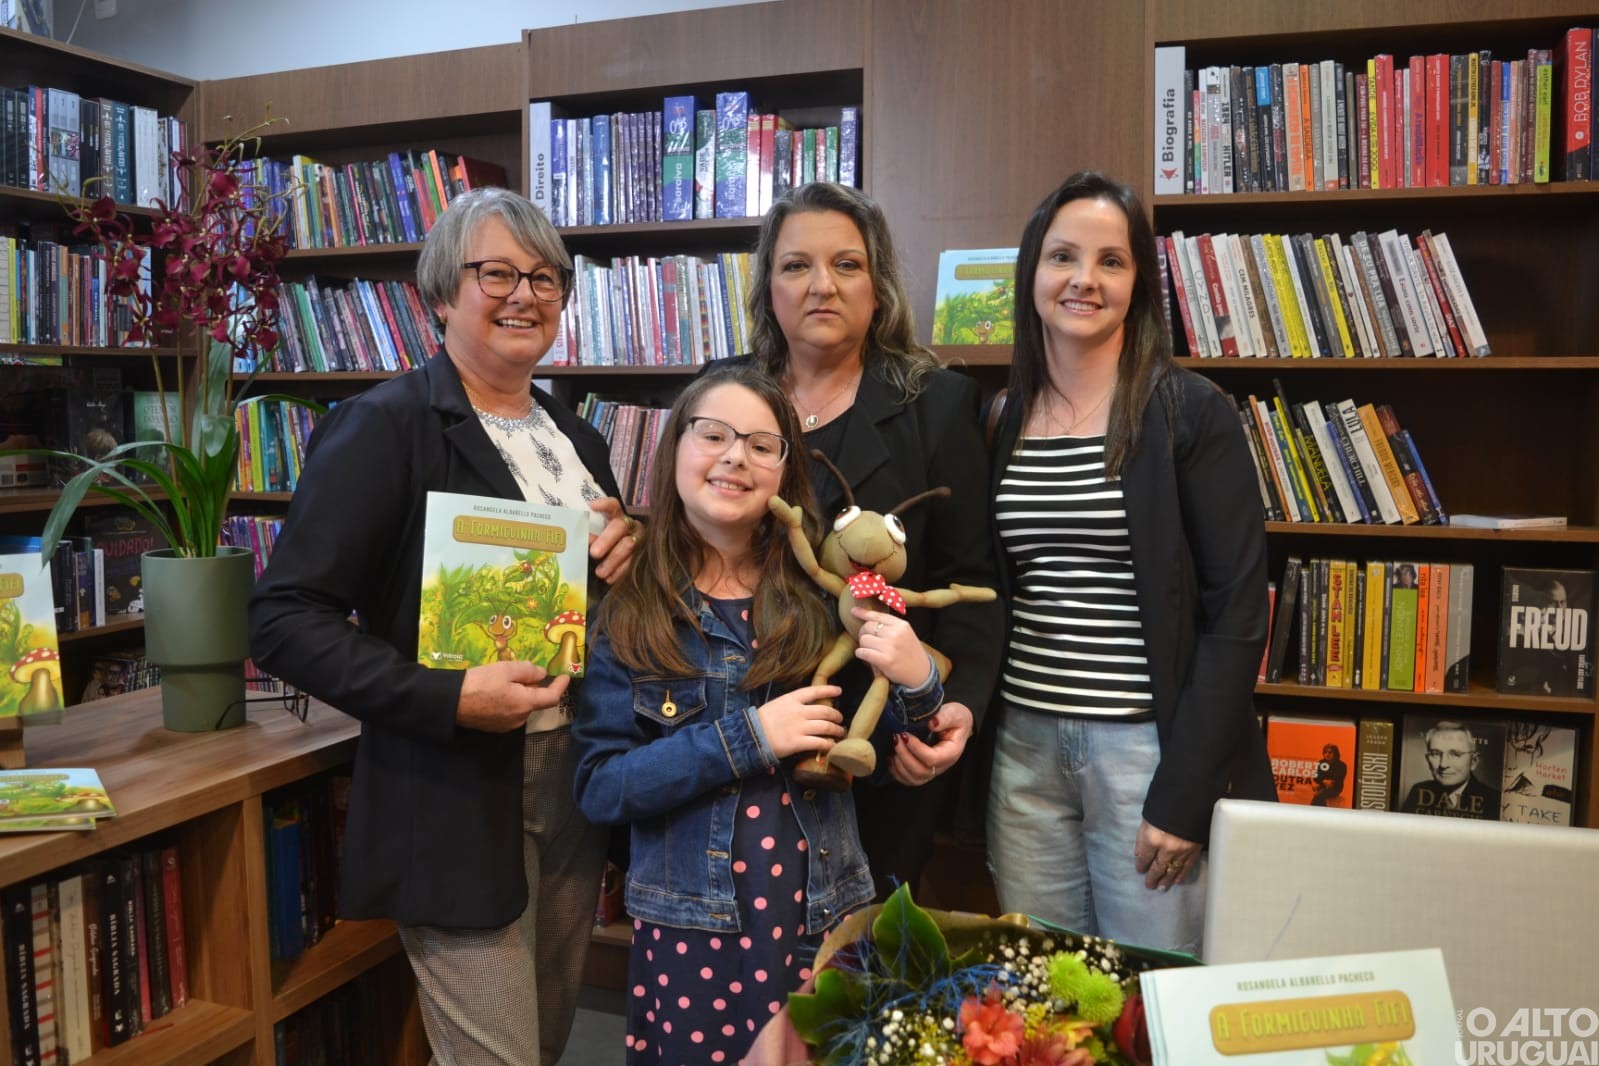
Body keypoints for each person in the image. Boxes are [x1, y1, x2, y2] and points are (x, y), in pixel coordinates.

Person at [249, 186, 639, 1066]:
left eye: (546, 277)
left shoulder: (575, 438)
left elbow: (584, 607)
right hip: (455, 792)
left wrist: (627, 555)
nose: (524, 294)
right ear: (438, 293)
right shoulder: (385, 427)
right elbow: (282, 618)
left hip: (572, 777)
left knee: (541, 1043)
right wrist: (444, 695)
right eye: (496, 272)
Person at [572, 362, 942, 1065]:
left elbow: (891, 742)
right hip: (690, 937)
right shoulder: (628, 613)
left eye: (761, 444)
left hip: (821, 920)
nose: (734, 456)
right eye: (712, 435)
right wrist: (749, 738)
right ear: (675, 447)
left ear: (785, 473)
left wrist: (918, 680)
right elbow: (601, 786)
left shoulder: (820, 600)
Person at [985, 171, 1274, 955]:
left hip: (1145, 752)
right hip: (1023, 751)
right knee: (1040, 992)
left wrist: (1181, 796)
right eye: (1062, 257)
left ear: (1138, 282)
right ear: (1031, 273)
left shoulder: (1188, 411)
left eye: (1110, 261)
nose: (1083, 279)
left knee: (1152, 1000)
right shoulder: (1001, 416)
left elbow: (1239, 611)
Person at [741, 181, 1005, 899]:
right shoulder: (726, 400)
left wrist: (960, 706)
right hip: (736, 731)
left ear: (878, 284)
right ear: (767, 286)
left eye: (846, 265)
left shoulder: (938, 405)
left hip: (880, 748)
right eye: (795, 266)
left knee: (861, 975)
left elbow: (972, 580)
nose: (820, 285)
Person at [1400, 721, 1500, 819]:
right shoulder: (1418, 791)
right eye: (1435, 753)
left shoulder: (1494, 800)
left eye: (1455, 754)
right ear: (1427, 760)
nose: (1443, 764)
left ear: (1474, 761)